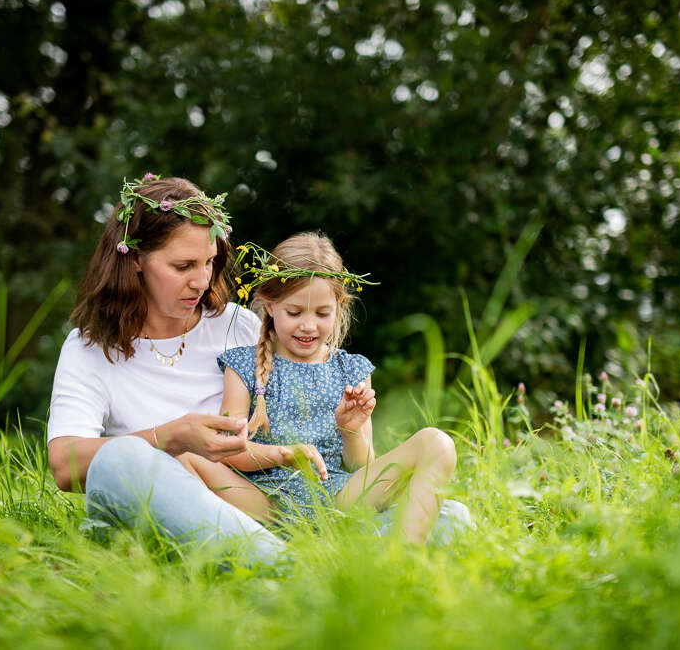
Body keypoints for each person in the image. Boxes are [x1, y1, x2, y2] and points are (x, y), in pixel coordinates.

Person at [46, 173, 286, 564]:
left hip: (253, 503)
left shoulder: (237, 325)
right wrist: (172, 437)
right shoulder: (89, 348)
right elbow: (64, 464)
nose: (201, 281)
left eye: (209, 263)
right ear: (136, 259)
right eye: (183, 266)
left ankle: (273, 559)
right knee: (118, 461)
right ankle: (280, 564)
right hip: (155, 517)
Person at [182, 232, 472, 544]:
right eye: (295, 312)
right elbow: (230, 451)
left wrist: (350, 429)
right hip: (266, 503)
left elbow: (361, 466)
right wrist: (283, 454)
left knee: (436, 442)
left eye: (322, 314)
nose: (309, 325)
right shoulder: (242, 365)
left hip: (337, 498)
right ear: (269, 305)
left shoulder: (352, 369)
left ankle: (400, 560)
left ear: (339, 306)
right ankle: (270, 543)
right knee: (185, 455)